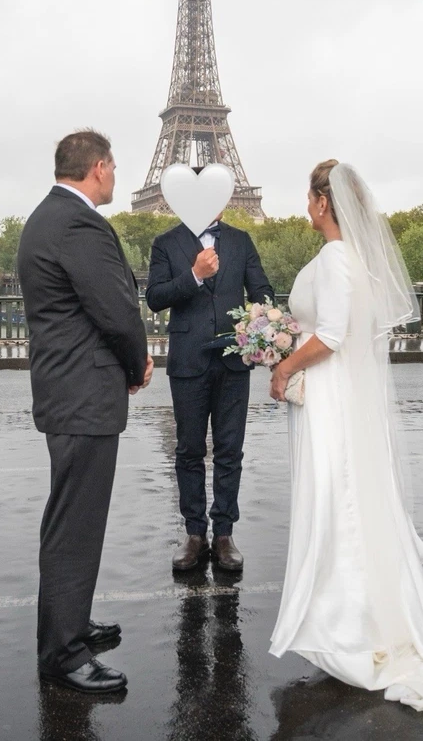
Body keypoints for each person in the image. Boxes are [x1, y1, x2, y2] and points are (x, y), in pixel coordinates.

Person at [268, 159, 423, 717]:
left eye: (307, 196)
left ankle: (353, 627)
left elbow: (334, 336)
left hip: (330, 399)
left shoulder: (339, 260)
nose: (305, 205)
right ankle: (344, 618)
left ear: (322, 203)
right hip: (330, 395)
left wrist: (282, 364)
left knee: (338, 500)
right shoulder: (346, 259)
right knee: (340, 501)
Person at [18, 130, 153, 694]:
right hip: (83, 394)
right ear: (97, 168)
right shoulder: (78, 224)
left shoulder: (45, 218)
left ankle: (69, 625)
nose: (118, 176)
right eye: (114, 167)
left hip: (67, 391)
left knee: (68, 519)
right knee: (76, 527)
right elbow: (116, 310)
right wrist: (137, 362)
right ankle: (63, 654)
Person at [146, 183, 274, 572]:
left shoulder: (241, 239)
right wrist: (195, 276)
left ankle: (224, 534)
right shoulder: (165, 243)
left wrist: (260, 325)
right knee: (187, 450)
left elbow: (263, 292)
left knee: (230, 450)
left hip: (234, 362)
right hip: (188, 359)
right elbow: (155, 297)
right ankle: (194, 533)